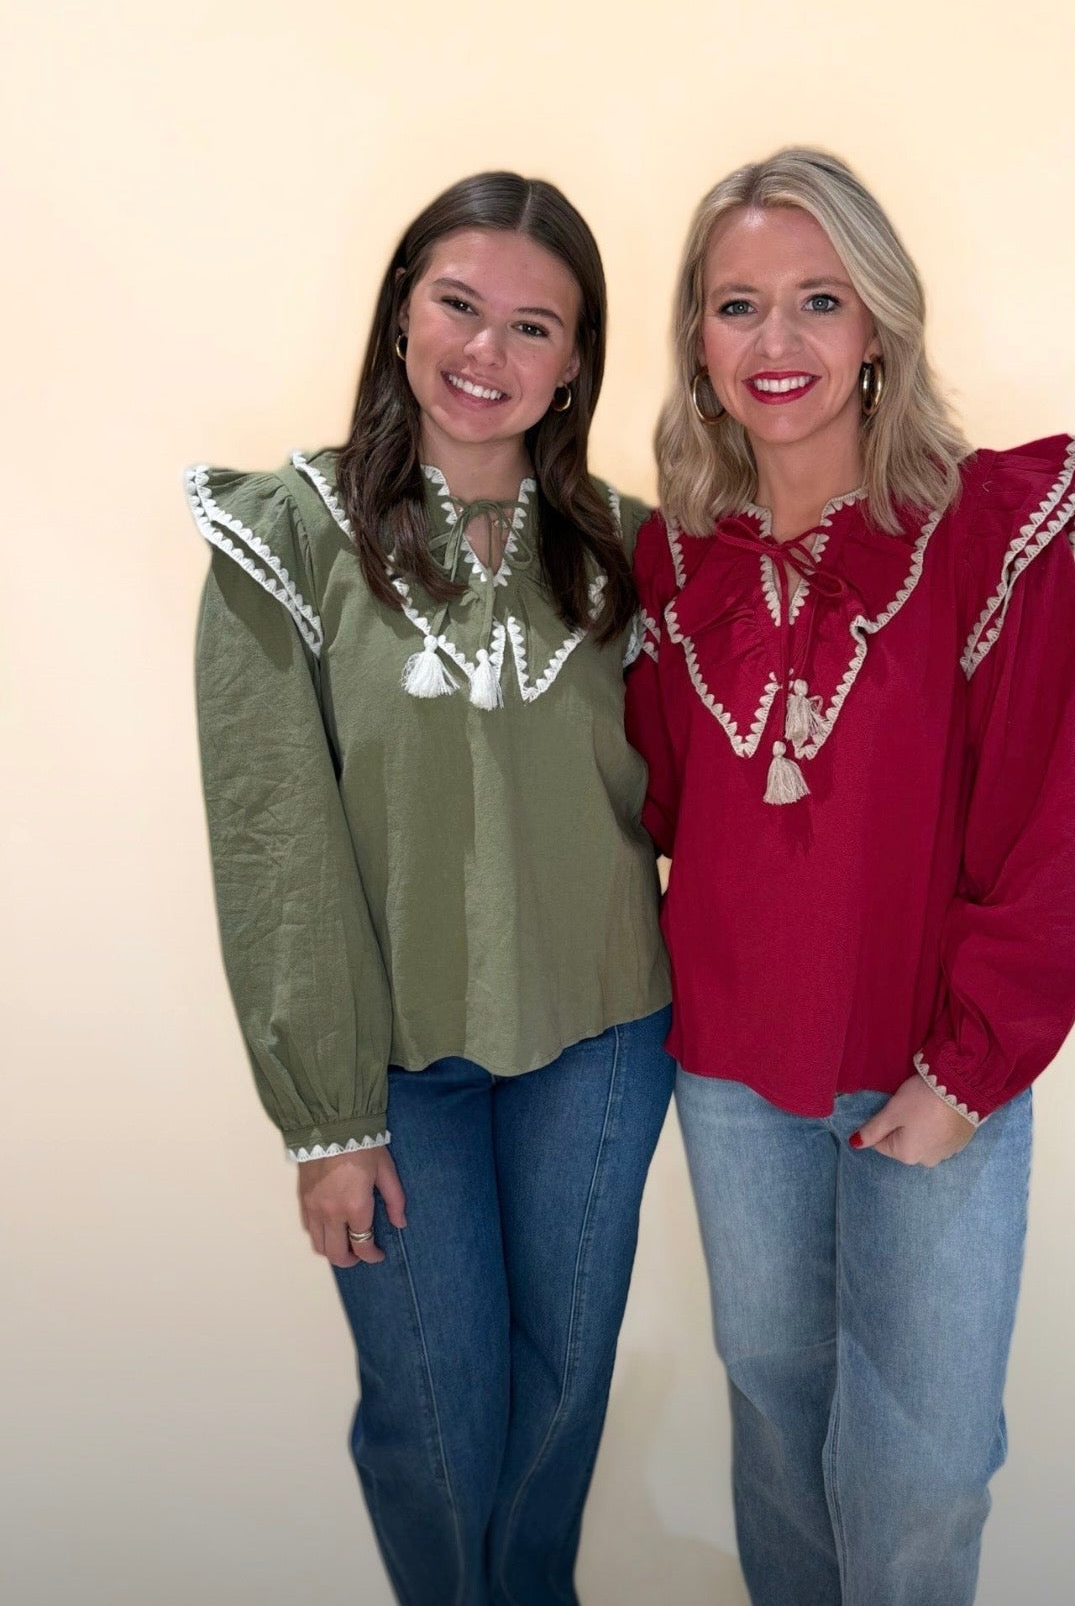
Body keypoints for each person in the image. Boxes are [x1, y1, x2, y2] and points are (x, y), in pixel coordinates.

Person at [187, 171, 673, 1606]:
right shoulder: (286, 536)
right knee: (437, 1423)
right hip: (395, 1067)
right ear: (403, 307)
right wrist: (326, 1116)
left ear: (575, 361)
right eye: (459, 304)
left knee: (562, 1394)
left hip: (600, 1033)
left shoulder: (631, 550)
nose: (486, 351)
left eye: (534, 326)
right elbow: (273, 841)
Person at [625, 147, 1075, 1606]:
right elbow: (658, 804)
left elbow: (1037, 838)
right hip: (732, 1077)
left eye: (818, 300)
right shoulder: (671, 565)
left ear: (879, 322)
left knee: (920, 1471)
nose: (777, 341)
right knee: (780, 1432)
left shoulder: (984, 537)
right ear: (697, 342)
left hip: (927, 1067)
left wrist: (965, 1074)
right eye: (738, 305)